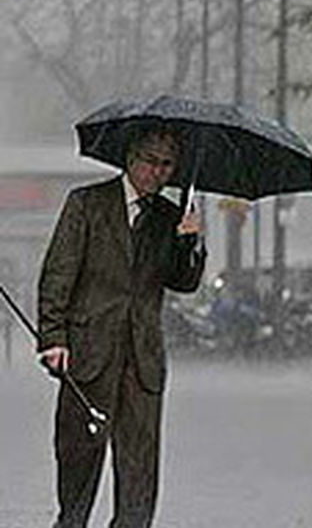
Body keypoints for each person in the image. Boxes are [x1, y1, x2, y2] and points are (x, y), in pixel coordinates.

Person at [36, 123, 205, 528]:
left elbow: (184, 281)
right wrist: (53, 338)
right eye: (151, 162)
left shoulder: (172, 217)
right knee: (77, 463)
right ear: (131, 157)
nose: (158, 172)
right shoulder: (87, 204)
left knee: (139, 476)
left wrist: (188, 241)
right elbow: (58, 274)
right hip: (87, 356)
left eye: (167, 165)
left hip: (142, 363)